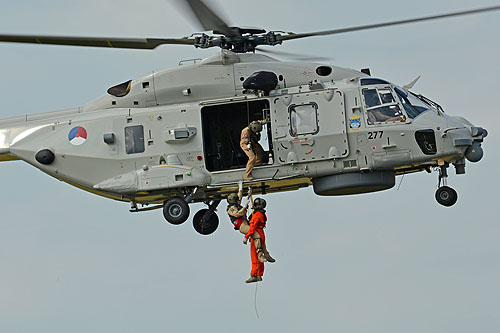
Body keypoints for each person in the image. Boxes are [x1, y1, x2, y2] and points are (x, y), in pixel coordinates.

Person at [226, 182, 271, 264]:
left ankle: (266, 253)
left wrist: (241, 187)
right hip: (242, 225)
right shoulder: (231, 209)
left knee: (260, 237)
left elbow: (239, 195)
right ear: (233, 201)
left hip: (245, 222)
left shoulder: (236, 203)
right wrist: (244, 208)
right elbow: (238, 214)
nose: (239, 200)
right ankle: (260, 254)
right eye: (237, 200)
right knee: (256, 235)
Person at [243, 197, 275, 284]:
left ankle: (254, 275)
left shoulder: (256, 215)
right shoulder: (262, 214)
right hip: (261, 234)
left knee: (255, 256)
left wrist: (247, 236)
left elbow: (252, 228)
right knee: (260, 254)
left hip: (256, 234)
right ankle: (259, 274)